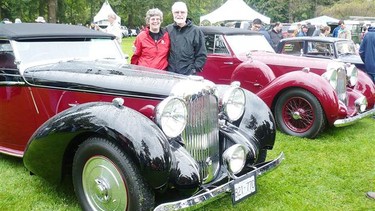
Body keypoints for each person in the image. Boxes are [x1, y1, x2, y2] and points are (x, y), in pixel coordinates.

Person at [166, 1, 207, 75]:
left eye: (182, 12)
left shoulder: (196, 31)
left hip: (188, 75)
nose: (179, 14)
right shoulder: (167, 30)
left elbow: (202, 54)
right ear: (172, 13)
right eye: (176, 12)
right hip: (170, 73)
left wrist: (194, 69)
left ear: (186, 13)